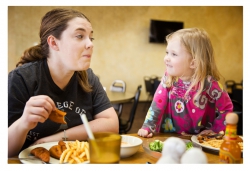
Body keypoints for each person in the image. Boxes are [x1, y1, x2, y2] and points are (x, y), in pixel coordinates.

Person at [8, 8, 119, 157]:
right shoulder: (21, 79)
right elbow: (6, 151)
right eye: (80, 36)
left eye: (90, 38)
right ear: (54, 43)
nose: (90, 44)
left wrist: (55, 139)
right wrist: (23, 124)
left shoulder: (88, 77)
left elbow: (111, 124)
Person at [138, 28, 233, 138]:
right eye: (167, 52)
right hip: (169, 137)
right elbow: (157, 105)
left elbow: (227, 109)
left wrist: (215, 130)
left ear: (193, 63)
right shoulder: (169, 78)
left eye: (173, 54)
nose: (166, 58)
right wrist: (148, 126)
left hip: (199, 140)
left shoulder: (209, 84)